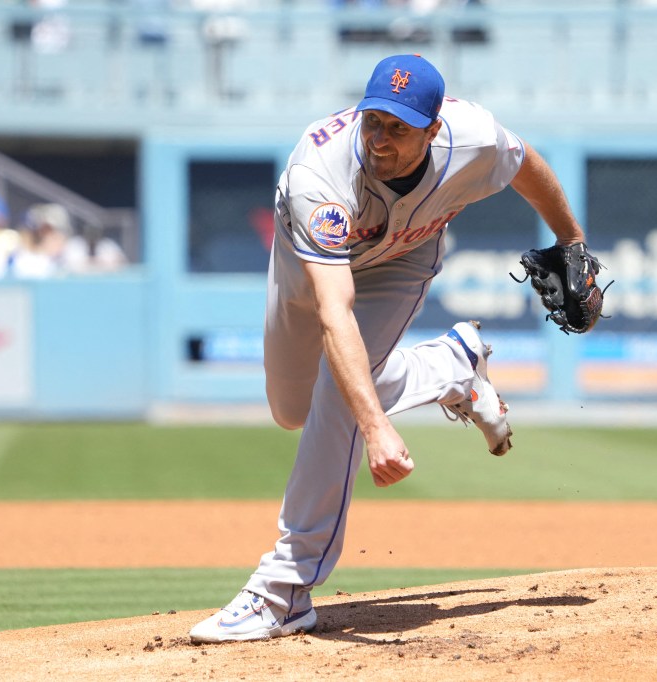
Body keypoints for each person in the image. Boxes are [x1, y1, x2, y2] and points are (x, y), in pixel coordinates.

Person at [188, 54, 590, 643]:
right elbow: (333, 310)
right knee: (291, 409)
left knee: (335, 402)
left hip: (402, 261)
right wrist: (377, 428)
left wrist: (571, 240)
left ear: (433, 129)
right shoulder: (320, 174)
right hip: (312, 276)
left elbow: (524, 163)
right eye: (373, 120)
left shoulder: (472, 138)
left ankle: (283, 591)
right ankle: (452, 366)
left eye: (398, 127)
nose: (379, 138)